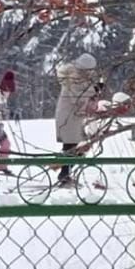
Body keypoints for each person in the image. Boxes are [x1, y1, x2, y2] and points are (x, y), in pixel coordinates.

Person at [54, 53, 97, 185]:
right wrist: (94, 91)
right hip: (68, 117)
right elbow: (78, 97)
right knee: (72, 146)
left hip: (73, 116)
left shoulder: (77, 77)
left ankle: (63, 170)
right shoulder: (73, 78)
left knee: (74, 146)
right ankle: (63, 173)